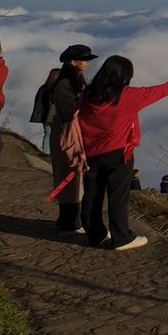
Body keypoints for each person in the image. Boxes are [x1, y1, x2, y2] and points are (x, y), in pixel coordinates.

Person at [75, 55, 168, 251]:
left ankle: (95, 235)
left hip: (90, 153)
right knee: (117, 197)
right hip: (118, 154)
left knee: (92, 194)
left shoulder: (87, 94)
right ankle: (121, 238)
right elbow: (155, 92)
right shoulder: (127, 96)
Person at [41, 44, 94, 233]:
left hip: (69, 132)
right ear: (73, 62)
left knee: (73, 176)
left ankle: (70, 220)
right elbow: (70, 111)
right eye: (85, 59)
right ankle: (70, 221)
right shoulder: (65, 84)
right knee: (69, 175)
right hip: (67, 134)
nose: (88, 63)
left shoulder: (73, 80)